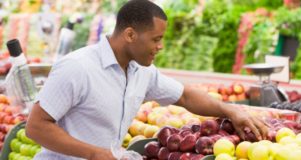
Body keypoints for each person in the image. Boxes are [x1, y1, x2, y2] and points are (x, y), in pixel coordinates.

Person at [26, 0, 268, 160]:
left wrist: (231, 110)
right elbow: (36, 127)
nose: (160, 46)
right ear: (130, 34)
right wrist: (97, 154)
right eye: (156, 39)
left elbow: (184, 96)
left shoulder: (141, 71)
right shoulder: (77, 67)